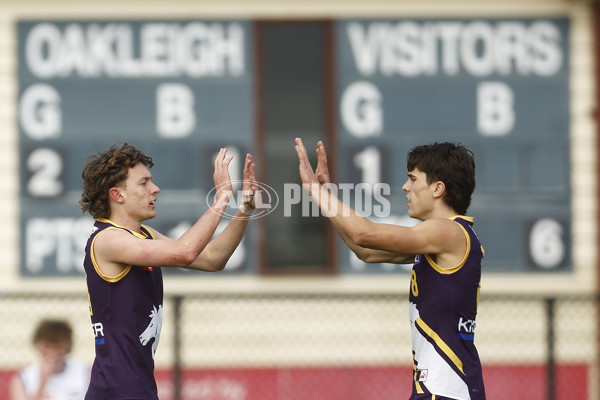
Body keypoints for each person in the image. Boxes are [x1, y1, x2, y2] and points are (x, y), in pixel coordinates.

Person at [295, 138, 485, 400]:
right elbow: (365, 252)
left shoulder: (447, 231)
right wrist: (326, 197)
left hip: (448, 390)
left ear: (438, 188)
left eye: (413, 179)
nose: (405, 187)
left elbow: (364, 234)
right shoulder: (442, 239)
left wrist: (313, 190)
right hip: (438, 390)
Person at [79, 143, 257, 400]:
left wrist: (245, 210)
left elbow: (213, 259)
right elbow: (184, 252)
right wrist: (222, 197)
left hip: (136, 388)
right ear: (117, 195)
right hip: (117, 391)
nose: (155, 189)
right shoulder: (107, 240)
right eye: (144, 183)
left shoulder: (142, 235)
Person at [10, 319, 90, 400]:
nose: (53, 352)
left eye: (58, 347)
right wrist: (42, 382)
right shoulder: (23, 378)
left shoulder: (85, 372)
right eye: (48, 346)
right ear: (38, 345)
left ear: (68, 346)